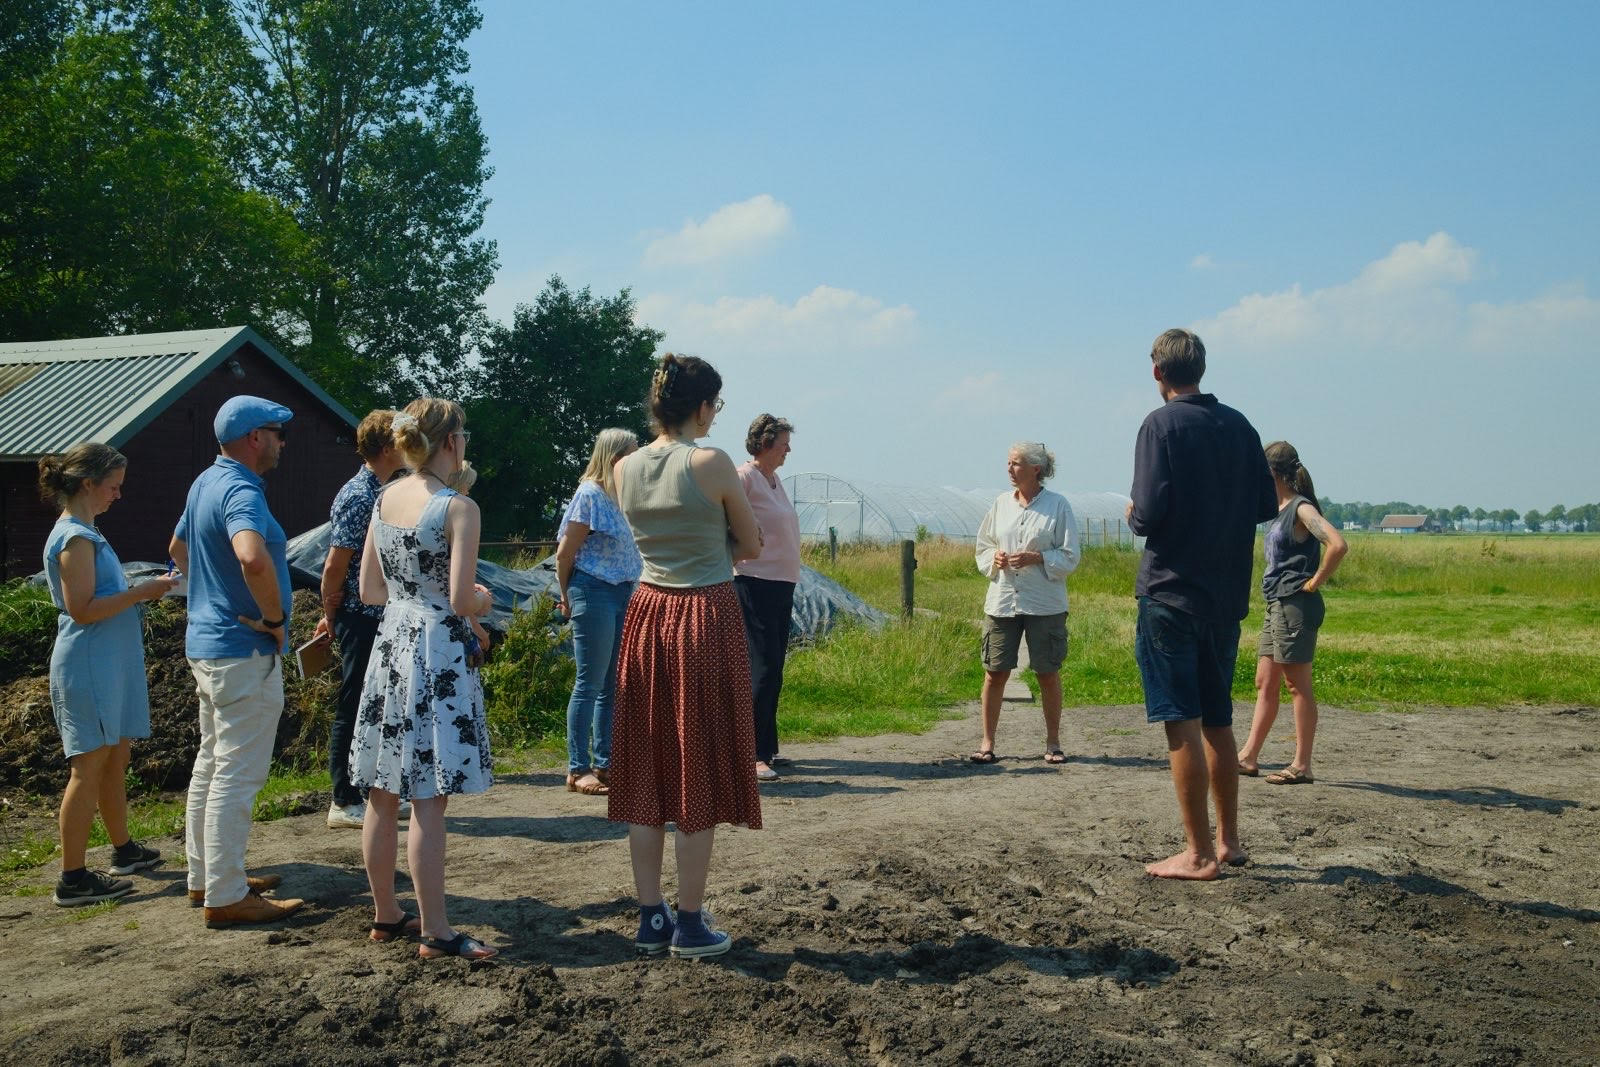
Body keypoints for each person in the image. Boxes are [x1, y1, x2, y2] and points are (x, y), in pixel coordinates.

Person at [610, 353, 763, 960]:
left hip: (647, 613)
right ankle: (691, 922)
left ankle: (651, 916)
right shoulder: (712, 461)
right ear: (703, 406)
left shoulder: (624, 467)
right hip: (705, 615)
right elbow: (750, 543)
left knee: (649, 761)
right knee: (696, 762)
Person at [348, 397, 497, 960]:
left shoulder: (385, 495)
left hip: (391, 644)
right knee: (429, 797)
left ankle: (387, 914)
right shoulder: (459, 507)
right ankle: (436, 932)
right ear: (451, 441)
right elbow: (462, 599)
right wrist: (480, 601)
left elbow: (368, 591)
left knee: (383, 793)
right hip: (435, 653)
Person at [1126, 329, 1277, 881]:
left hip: (1171, 591)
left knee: (1180, 722)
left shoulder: (1159, 425)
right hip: (1225, 595)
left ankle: (1197, 854)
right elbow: (1265, 504)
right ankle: (1229, 840)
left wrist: (1133, 516)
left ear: (1157, 371)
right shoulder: (1241, 426)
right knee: (1218, 718)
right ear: (1202, 368)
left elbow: (1147, 513)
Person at [170, 396, 305, 925]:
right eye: (277, 433)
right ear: (255, 438)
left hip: (206, 645)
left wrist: (210, 597)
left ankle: (206, 878)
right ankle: (226, 897)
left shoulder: (205, 482)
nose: (281, 443)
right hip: (243, 651)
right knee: (237, 773)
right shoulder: (242, 489)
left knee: (211, 763)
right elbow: (251, 555)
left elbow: (177, 550)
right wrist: (273, 619)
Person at [38, 444, 176, 906]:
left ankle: (124, 851)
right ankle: (72, 879)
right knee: (88, 768)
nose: (118, 495)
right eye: (113, 486)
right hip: (89, 665)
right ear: (87, 484)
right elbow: (82, 609)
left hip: (109, 664)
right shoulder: (75, 538)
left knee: (117, 758)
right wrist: (141, 593)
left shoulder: (88, 532)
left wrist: (141, 591)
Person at [313, 410, 410, 829]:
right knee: (352, 703)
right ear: (387, 448)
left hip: (382, 614)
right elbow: (336, 564)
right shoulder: (359, 495)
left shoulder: (388, 489)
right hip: (359, 615)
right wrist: (329, 613)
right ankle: (342, 798)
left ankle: (372, 789)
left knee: (379, 704)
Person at [1237, 442, 1348, 785]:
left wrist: (1315, 581)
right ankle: (1248, 757)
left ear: (1273, 472)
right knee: (1264, 682)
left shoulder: (1300, 509)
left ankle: (1302, 765)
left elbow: (1338, 544)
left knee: (1297, 686)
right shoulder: (1279, 508)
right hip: (1277, 604)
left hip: (1296, 605)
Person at [972, 442, 1079, 765]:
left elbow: (1071, 555)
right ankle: (987, 742)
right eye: (1008, 463)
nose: (1009, 469)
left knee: (1047, 672)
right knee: (995, 672)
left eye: (1015, 463)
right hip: (1003, 600)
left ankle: (1053, 742)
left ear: (1036, 469)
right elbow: (983, 546)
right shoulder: (1001, 504)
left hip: (1044, 603)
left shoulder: (1058, 506)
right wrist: (996, 557)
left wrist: (1038, 557)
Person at [555, 428, 643, 796]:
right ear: (614, 457)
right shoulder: (590, 494)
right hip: (593, 588)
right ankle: (578, 768)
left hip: (623, 590)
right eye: (632, 455)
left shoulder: (624, 496)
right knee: (590, 682)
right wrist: (565, 595)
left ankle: (606, 761)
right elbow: (565, 552)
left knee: (612, 683)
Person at [733, 414, 801, 782]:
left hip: (780, 582)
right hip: (754, 580)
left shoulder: (773, 480)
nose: (788, 449)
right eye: (784, 442)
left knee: (774, 667)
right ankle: (751, 754)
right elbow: (724, 518)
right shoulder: (744, 477)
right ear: (764, 443)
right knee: (760, 667)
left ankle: (767, 747)